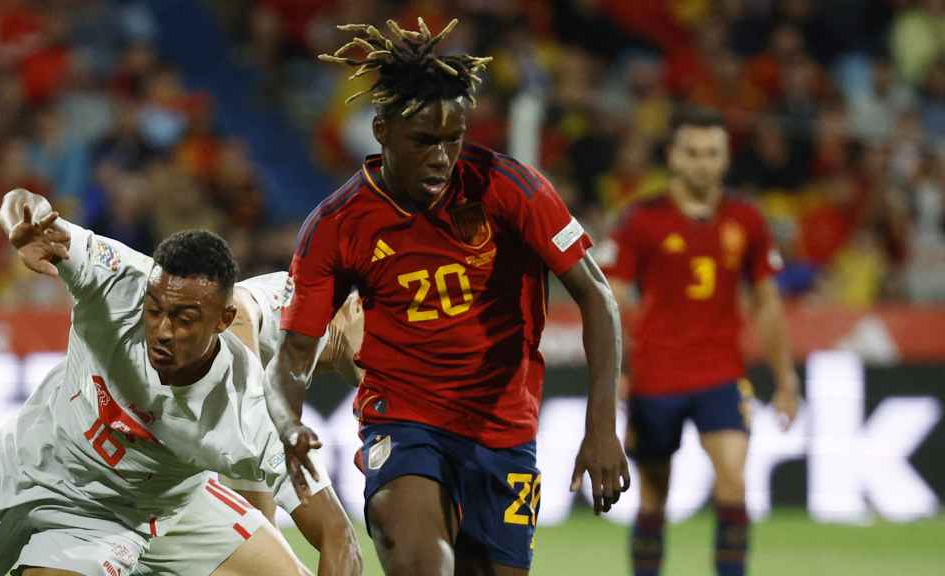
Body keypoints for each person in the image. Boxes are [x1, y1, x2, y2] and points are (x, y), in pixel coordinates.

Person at [264, 17, 629, 576]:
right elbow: (291, 356)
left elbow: (596, 297)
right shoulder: (337, 225)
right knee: (423, 564)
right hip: (404, 418)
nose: (442, 157)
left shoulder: (509, 188)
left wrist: (601, 426)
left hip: (502, 426)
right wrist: (288, 424)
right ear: (381, 131)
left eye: (453, 139)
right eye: (423, 141)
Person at [0, 188, 308, 576]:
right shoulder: (117, 281)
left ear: (220, 318)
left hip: (127, 512)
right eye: (157, 310)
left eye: (187, 317)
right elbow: (28, 208)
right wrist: (20, 220)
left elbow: (269, 451)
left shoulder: (256, 359)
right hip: (23, 470)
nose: (166, 329)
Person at [597, 108, 800, 576]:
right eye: (692, 153)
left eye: (712, 153)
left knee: (734, 483)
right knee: (653, 497)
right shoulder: (641, 220)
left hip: (721, 374)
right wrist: (619, 376)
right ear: (673, 157)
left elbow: (767, 304)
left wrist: (786, 379)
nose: (702, 164)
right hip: (655, 378)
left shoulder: (746, 219)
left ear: (725, 159)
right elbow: (613, 303)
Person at [135, 271, 364, 576]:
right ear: (358, 307)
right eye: (384, 338)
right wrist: (252, 396)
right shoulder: (314, 303)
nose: (383, 356)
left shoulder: (311, 362)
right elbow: (238, 304)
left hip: (167, 465)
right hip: (147, 424)